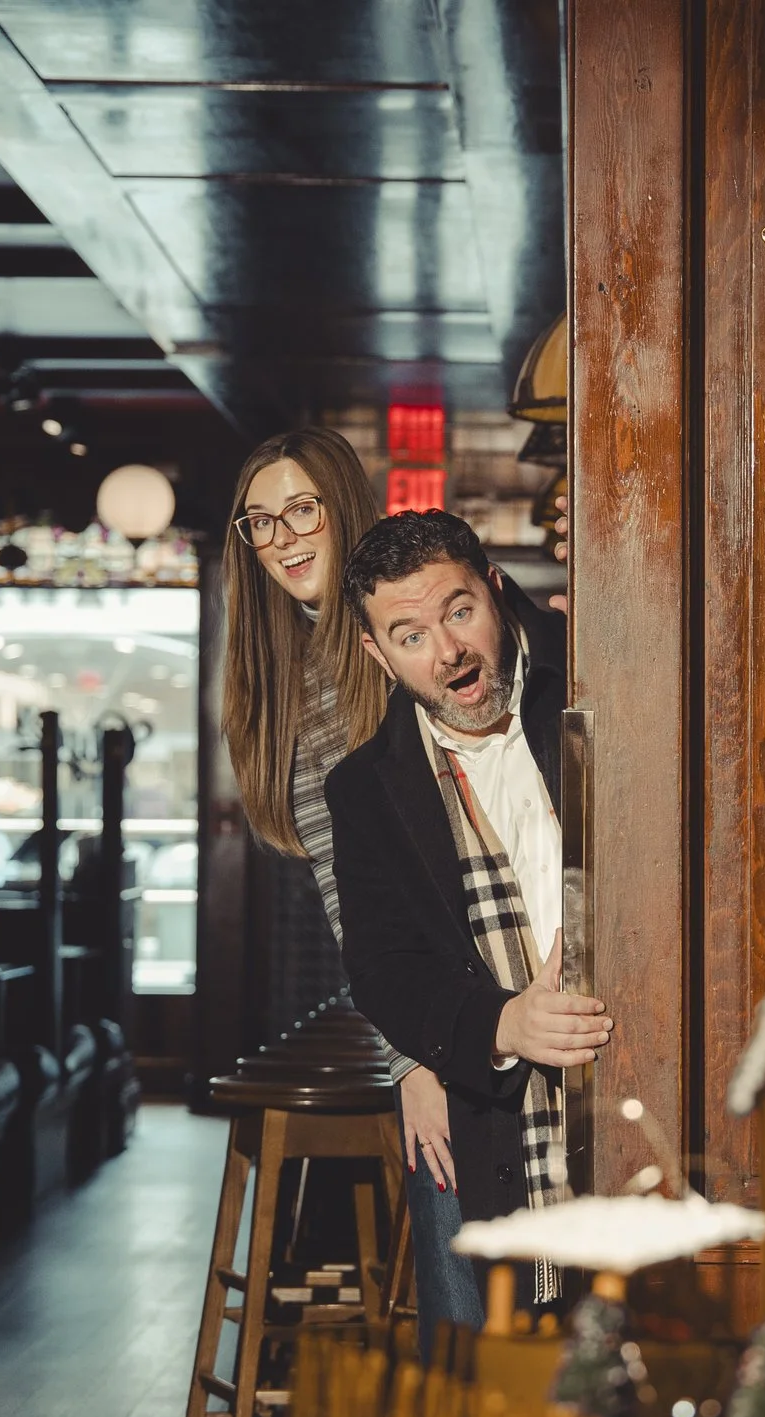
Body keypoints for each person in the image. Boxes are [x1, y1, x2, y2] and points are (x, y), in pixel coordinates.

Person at [325, 510, 611, 1353]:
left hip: (640, 1084)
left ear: (495, 591)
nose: (446, 651)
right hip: (486, 1110)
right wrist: (501, 1024)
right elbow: (383, 967)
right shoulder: (367, 789)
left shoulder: (591, 689)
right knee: (484, 1379)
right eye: (409, 634)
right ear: (379, 655)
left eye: (457, 612)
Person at [214, 430, 482, 1331]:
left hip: (496, 985)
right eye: (261, 521)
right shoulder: (294, 670)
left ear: (340, 505)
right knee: (468, 1305)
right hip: (443, 1008)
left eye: (301, 509)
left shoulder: (397, 633)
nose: (284, 537)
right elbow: (351, 895)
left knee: (492, 1299)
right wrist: (413, 1053)